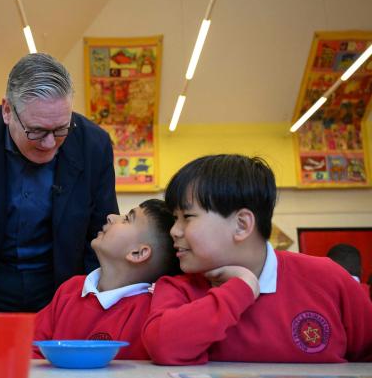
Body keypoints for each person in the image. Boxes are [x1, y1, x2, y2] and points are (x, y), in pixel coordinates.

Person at [143, 154, 372, 364]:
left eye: (187, 217)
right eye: (175, 218)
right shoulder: (177, 288)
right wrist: (240, 288)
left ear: (242, 225)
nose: (174, 230)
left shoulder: (326, 279)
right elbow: (163, 346)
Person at [0, 53, 118, 312]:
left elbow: (102, 230)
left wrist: (88, 304)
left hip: (63, 284)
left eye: (60, 130)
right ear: (8, 111)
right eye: (37, 131)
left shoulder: (94, 144)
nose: (49, 143)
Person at [34, 199, 178, 360]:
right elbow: (31, 348)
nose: (110, 216)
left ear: (138, 253)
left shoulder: (147, 313)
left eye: (126, 219)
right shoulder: (69, 289)